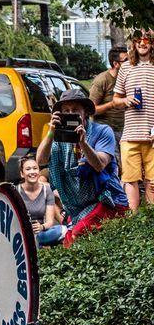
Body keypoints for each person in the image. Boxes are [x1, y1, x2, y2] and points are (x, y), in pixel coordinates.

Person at [36, 89, 127, 246]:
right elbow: (40, 160)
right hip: (78, 208)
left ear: (85, 112)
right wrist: (51, 133)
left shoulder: (103, 131)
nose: (71, 113)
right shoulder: (58, 136)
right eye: (66, 111)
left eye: (75, 110)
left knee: (75, 237)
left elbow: (99, 165)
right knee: (68, 241)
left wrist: (83, 143)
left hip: (108, 201)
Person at [113, 34, 154, 211]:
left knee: (152, 181)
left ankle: (150, 221)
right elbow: (115, 99)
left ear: (152, 44)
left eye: (146, 40)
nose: (142, 43)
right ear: (134, 43)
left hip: (152, 134)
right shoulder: (126, 67)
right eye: (139, 40)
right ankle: (134, 220)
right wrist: (125, 101)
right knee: (130, 179)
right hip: (130, 134)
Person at [17, 157, 67, 247]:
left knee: (63, 230)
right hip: (20, 234)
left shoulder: (47, 191)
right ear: (22, 174)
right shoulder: (16, 191)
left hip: (40, 233)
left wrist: (41, 227)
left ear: (39, 172)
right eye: (28, 169)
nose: (32, 172)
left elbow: (50, 222)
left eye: (35, 168)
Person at [91, 46, 128, 141]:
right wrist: (112, 104)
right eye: (126, 60)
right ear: (115, 64)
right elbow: (91, 110)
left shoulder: (130, 78)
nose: (130, 63)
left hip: (127, 131)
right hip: (106, 131)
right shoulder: (102, 80)